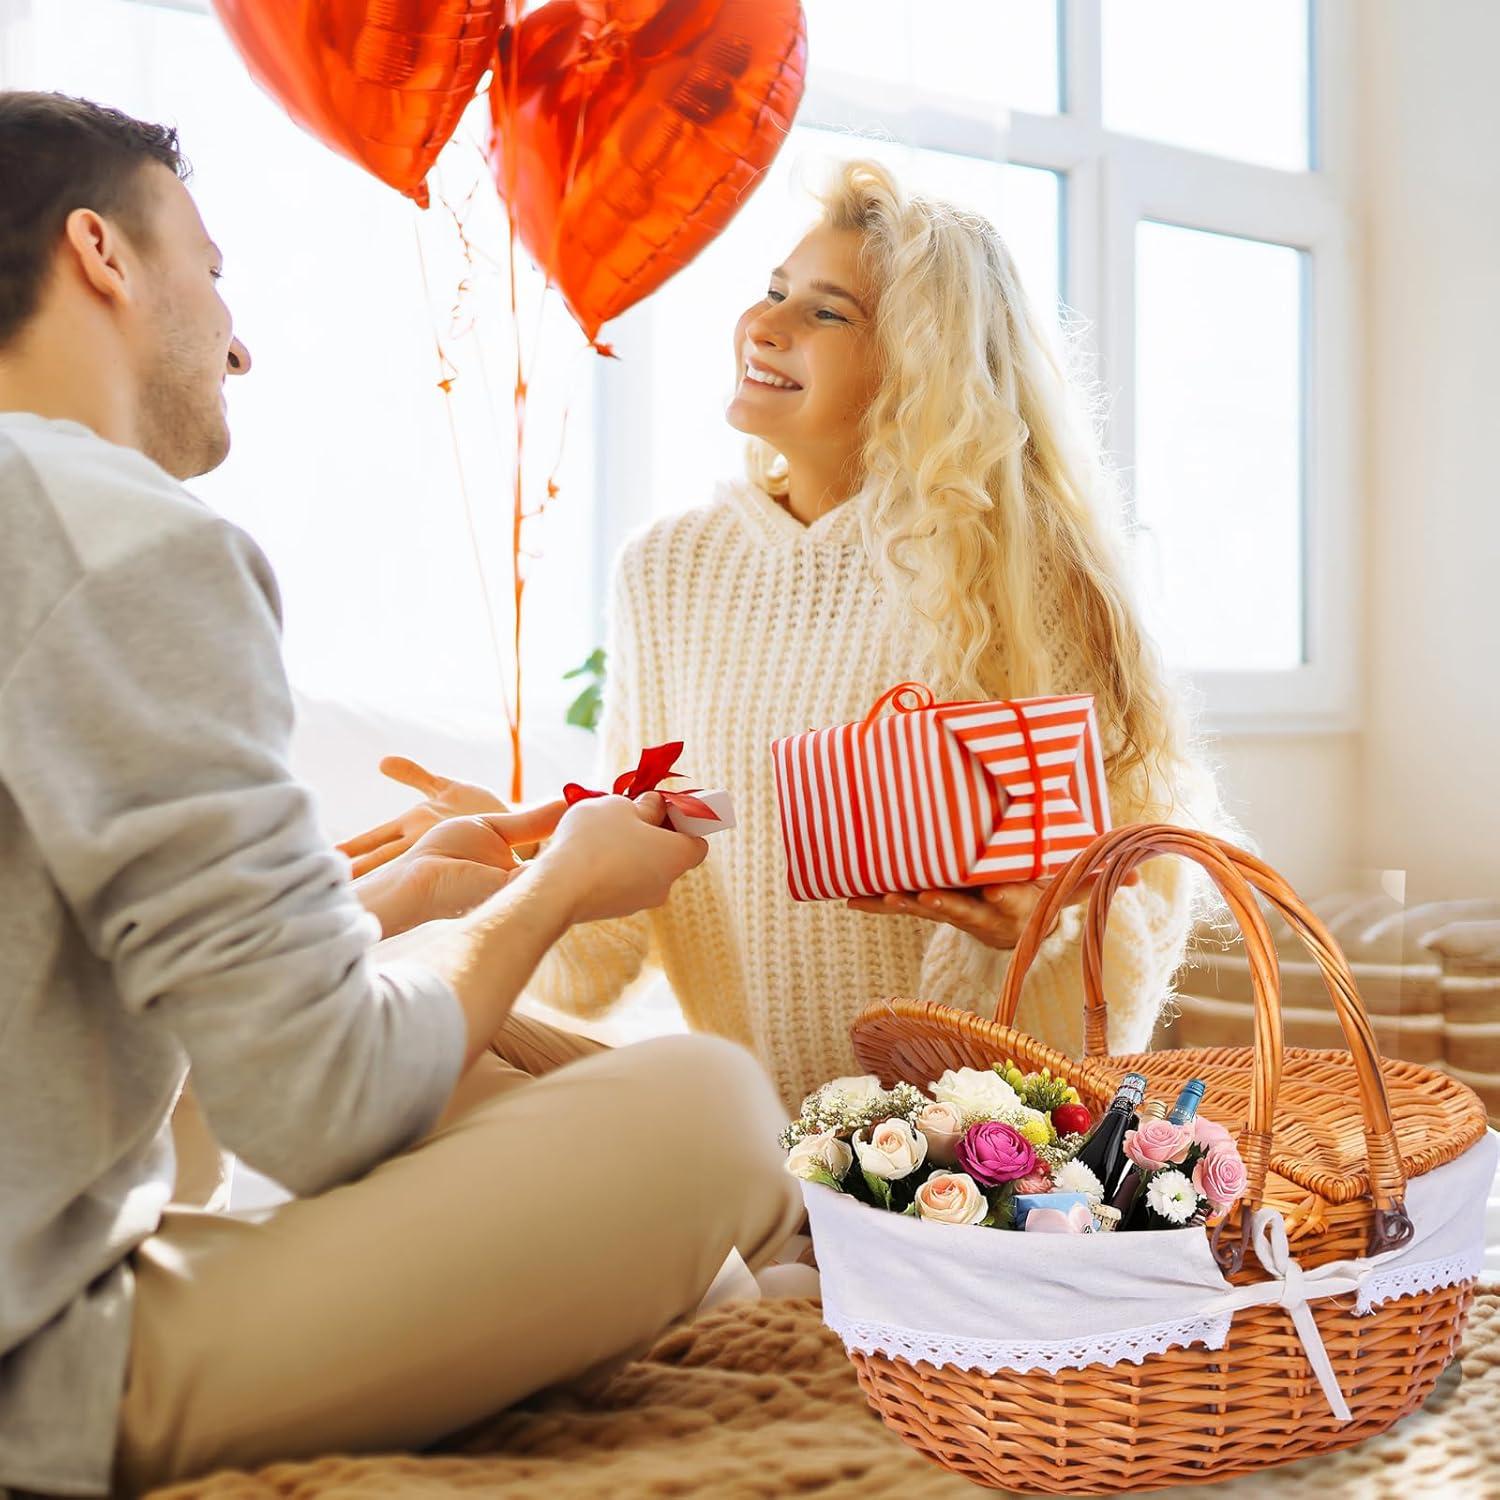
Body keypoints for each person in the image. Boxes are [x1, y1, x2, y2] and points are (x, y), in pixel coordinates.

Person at [0, 92, 801, 1499]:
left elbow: (68, 987)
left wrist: (409, 894)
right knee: (717, 1103)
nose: (238, 342)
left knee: (496, 1069)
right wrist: (564, 888)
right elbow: (321, 1103)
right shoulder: (122, 541)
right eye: (212, 270)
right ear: (100, 253)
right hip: (39, 1375)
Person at [345, 159, 1225, 1110]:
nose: (765, 326)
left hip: (972, 1134)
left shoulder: (1018, 573)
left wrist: (1047, 922)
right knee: (424, 1065)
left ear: (920, 365)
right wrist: (509, 870)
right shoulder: (668, 569)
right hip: (758, 1135)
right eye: (773, 293)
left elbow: (1125, 957)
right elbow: (607, 962)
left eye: (826, 312)